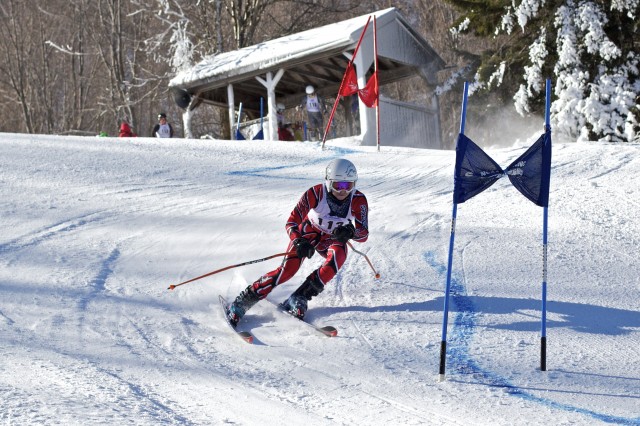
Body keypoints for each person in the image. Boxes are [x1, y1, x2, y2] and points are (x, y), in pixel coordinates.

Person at [225, 158, 369, 327]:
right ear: (329, 182)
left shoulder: (358, 200)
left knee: (338, 256)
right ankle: (243, 301)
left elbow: (363, 234)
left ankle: (299, 297)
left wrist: (350, 232)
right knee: (288, 271)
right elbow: (291, 222)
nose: (343, 191)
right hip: (309, 233)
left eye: (348, 185)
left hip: (332, 239)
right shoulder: (315, 193)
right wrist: (298, 241)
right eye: (338, 185)